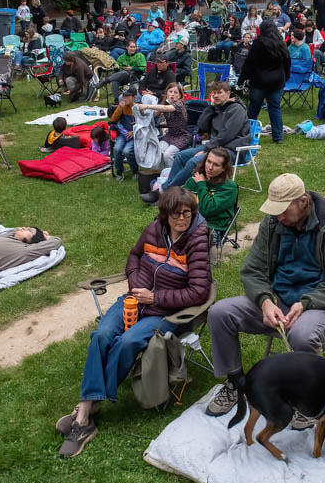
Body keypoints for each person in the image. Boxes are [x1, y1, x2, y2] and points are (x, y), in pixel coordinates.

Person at [56, 187, 211, 457]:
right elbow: (134, 257)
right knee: (102, 335)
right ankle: (88, 409)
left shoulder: (197, 241)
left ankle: (82, 417)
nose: (182, 219)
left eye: (187, 213)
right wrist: (137, 286)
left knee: (127, 342)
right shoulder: (154, 230)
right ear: (165, 214)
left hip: (165, 311)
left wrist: (155, 296)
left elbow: (199, 291)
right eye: (176, 214)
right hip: (135, 299)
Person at [204, 173, 325, 423]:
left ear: (303, 201)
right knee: (220, 312)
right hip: (278, 299)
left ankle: (309, 397)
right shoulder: (272, 224)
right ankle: (236, 383)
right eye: (274, 211)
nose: (278, 216)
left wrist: (306, 303)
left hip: (320, 302)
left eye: (283, 210)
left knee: (302, 334)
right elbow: (253, 269)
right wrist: (265, 300)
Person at [162, 81, 249, 190]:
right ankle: (168, 188)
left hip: (232, 150)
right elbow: (201, 127)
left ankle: (168, 190)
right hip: (216, 147)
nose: (216, 95)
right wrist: (211, 107)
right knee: (180, 156)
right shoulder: (218, 108)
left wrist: (206, 149)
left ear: (228, 93)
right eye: (214, 93)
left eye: (220, 93)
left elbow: (226, 135)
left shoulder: (236, 109)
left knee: (194, 162)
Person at [238, 20, 290, 144]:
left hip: (259, 81)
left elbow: (249, 63)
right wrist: (286, 77)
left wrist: (241, 79)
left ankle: (247, 134)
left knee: (254, 109)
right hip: (277, 81)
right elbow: (287, 62)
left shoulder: (258, 43)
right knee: (275, 108)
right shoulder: (281, 43)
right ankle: (278, 137)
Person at [184, 146, 237, 235]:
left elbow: (207, 210)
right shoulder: (194, 180)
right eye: (208, 162)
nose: (210, 167)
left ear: (224, 168)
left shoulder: (229, 187)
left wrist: (201, 185)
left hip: (212, 227)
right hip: (188, 222)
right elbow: (179, 202)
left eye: (216, 165)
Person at [138, 83, 190, 167]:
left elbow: (164, 109)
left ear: (180, 96)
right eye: (170, 91)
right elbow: (155, 114)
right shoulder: (165, 103)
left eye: (175, 92)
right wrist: (141, 111)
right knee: (159, 151)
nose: (172, 94)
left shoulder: (179, 104)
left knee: (167, 155)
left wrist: (147, 106)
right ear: (167, 93)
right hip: (170, 134)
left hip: (182, 136)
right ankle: (161, 173)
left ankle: (171, 175)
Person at [109, 89, 138, 180]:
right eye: (124, 96)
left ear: (134, 97)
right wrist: (119, 108)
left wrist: (134, 132)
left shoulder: (138, 108)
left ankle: (135, 171)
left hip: (135, 135)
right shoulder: (122, 107)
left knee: (127, 151)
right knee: (117, 149)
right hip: (123, 134)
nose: (125, 99)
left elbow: (143, 124)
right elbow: (113, 120)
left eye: (128, 96)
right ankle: (119, 172)